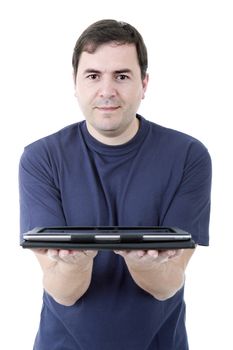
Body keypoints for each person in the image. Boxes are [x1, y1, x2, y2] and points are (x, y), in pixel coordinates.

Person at [19, 19, 212, 350]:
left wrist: (141, 262)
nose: (107, 91)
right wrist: (77, 263)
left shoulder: (188, 156)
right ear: (76, 83)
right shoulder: (41, 158)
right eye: (93, 76)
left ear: (144, 84)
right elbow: (64, 291)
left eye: (122, 76)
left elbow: (167, 285)